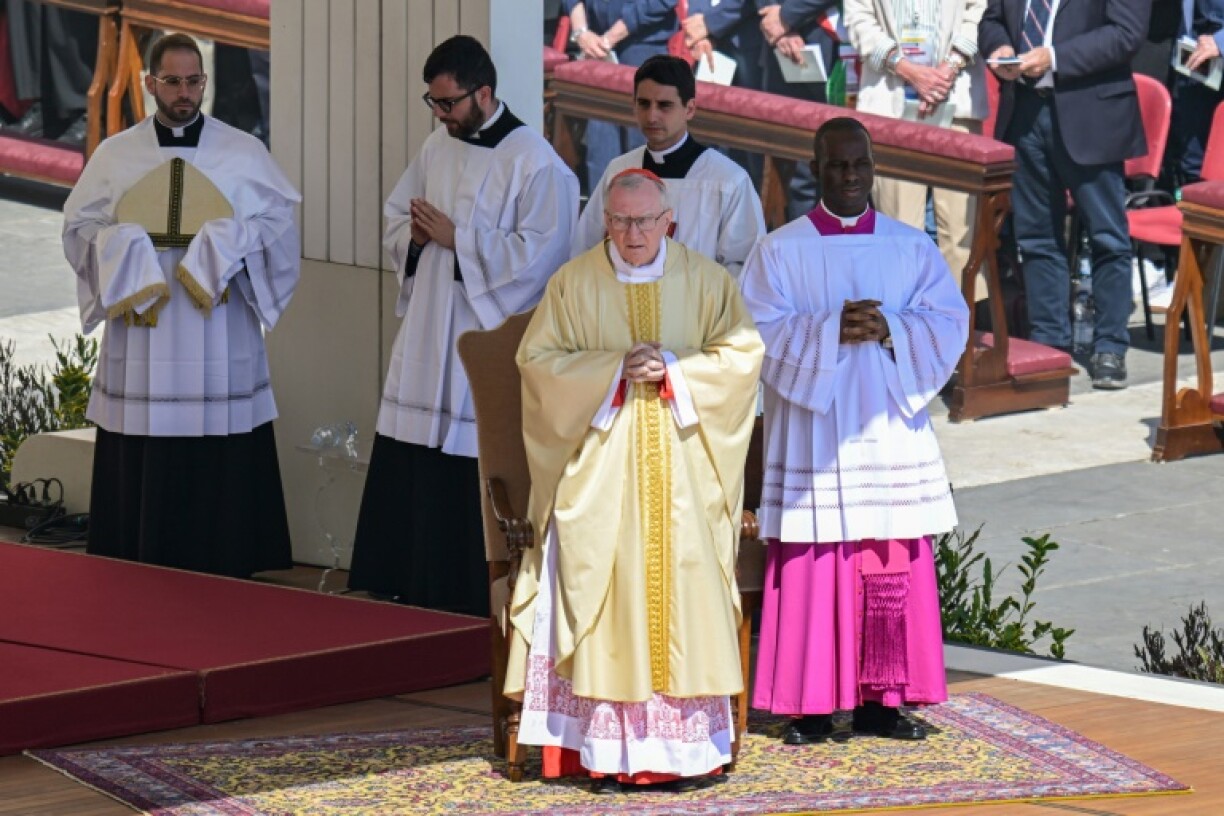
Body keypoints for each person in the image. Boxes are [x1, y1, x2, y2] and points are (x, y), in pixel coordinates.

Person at [505, 169, 763, 790]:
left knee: (688, 585)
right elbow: (536, 365)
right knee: (598, 579)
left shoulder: (707, 282)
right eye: (620, 222)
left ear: (668, 220)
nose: (633, 234)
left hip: (685, 472)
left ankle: (688, 752)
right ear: (605, 222)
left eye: (645, 221)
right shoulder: (572, 285)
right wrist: (612, 372)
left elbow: (742, 356)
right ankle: (596, 749)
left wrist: (674, 367)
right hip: (599, 475)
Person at [740, 118, 967, 745]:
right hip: (817, 432)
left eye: (860, 165)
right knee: (817, 560)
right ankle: (811, 706)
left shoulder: (909, 246)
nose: (850, 177)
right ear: (816, 168)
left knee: (885, 558)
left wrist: (892, 326)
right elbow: (753, 335)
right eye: (837, 166)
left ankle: (881, 703)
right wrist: (828, 331)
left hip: (887, 429)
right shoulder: (780, 249)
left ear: (874, 167)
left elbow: (948, 321)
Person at [347, 36, 578, 617]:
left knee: (466, 452)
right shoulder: (436, 146)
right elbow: (399, 217)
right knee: (413, 443)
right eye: (433, 101)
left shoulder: (537, 163)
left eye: (448, 102)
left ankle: (459, 590)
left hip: (483, 332)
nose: (439, 114)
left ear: (484, 93)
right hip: (431, 321)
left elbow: (541, 260)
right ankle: (402, 578)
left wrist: (460, 240)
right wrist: (418, 237)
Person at [62, 33, 300, 578]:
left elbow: (277, 228)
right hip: (147, 323)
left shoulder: (242, 153)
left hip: (214, 319)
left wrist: (225, 246)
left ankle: (225, 557)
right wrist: (123, 248)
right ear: (150, 84)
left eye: (195, 81)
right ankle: (139, 555)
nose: (185, 93)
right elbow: (80, 227)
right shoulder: (116, 154)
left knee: (216, 433)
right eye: (172, 82)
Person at [979, 0, 1150, 389]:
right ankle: (1049, 344)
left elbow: (1126, 34)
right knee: (1037, 238)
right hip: (1024, 111)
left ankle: (1109, 345)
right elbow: (991, 19)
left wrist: (1054, 57)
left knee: (1107, 236)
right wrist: (1001, 48)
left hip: (1091, 114)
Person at [572, 55, 765, 279]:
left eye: (664, 105)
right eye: (644, 104)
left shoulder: (728, 181)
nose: (652, 116)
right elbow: (585, 248)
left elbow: (746, 269)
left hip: (696, 310)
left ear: (690, 109)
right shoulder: (619, 170)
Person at [845, 0, 988, 281]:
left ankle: (958, 319)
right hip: (890, 104)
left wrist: (949, 68)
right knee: (898, 229)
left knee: (961, 232)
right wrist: (906, 69)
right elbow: (858, 17)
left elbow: (982, 10)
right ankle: (902, 322)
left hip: (956, 99)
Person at [563, 0, 678, 190]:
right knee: (600, 147)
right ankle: (602, 217)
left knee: (642, 147)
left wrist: (610, 38)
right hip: (595, 43)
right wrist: (581, 32)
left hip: (644, 43)